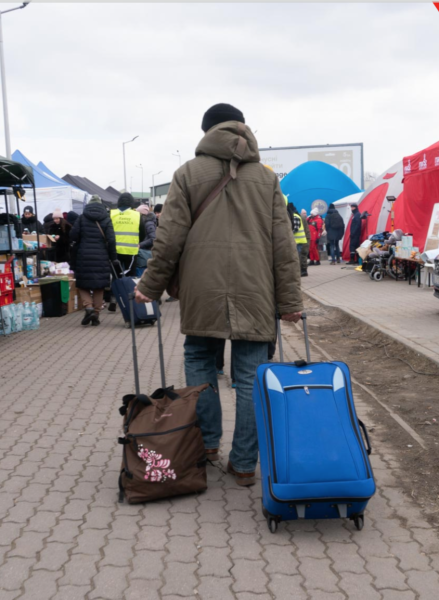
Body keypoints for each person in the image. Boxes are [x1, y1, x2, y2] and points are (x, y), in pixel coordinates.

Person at [133, 103, 303, 487]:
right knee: (250, 377)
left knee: (199, 363)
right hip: (256, 289)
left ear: (206, 132)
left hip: (201, 289)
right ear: (243, 129)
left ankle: (207, 445)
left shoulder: (187, 174)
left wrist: (150, 286)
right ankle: (244, 464)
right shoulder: (266, 178)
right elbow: (283, 244)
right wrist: (290, 302)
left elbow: (170, 236)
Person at [70, 195, 117, 326]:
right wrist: (114, 258)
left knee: (82, 284)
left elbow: (73, 235)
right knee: (99, 286)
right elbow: (112, 240)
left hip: (83, 255)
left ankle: (89, 307)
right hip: (101, 256)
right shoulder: (106, 219)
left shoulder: (81, 218)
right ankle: (96, 313)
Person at [110, 192, 145, 275]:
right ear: (132, 202)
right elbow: (143, 234)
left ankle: (117, 287)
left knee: (116, 275)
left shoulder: (112, 214)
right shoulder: (137, 215)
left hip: (115, 251)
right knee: (130, 276)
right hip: (131, 251)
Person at [135, 204, 157, 277]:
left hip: (145, 253)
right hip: (145, 253)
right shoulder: (146, 222)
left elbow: (153, 238)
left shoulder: (148, 223)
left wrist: (140, 245)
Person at [289, 203, 309, 277]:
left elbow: (296, 229)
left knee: (298, 256)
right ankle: (301, 270)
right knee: (300, 255)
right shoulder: (299, 216)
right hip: (301, 239)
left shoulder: (295, 216)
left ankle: (300, 271)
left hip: (298, 240)